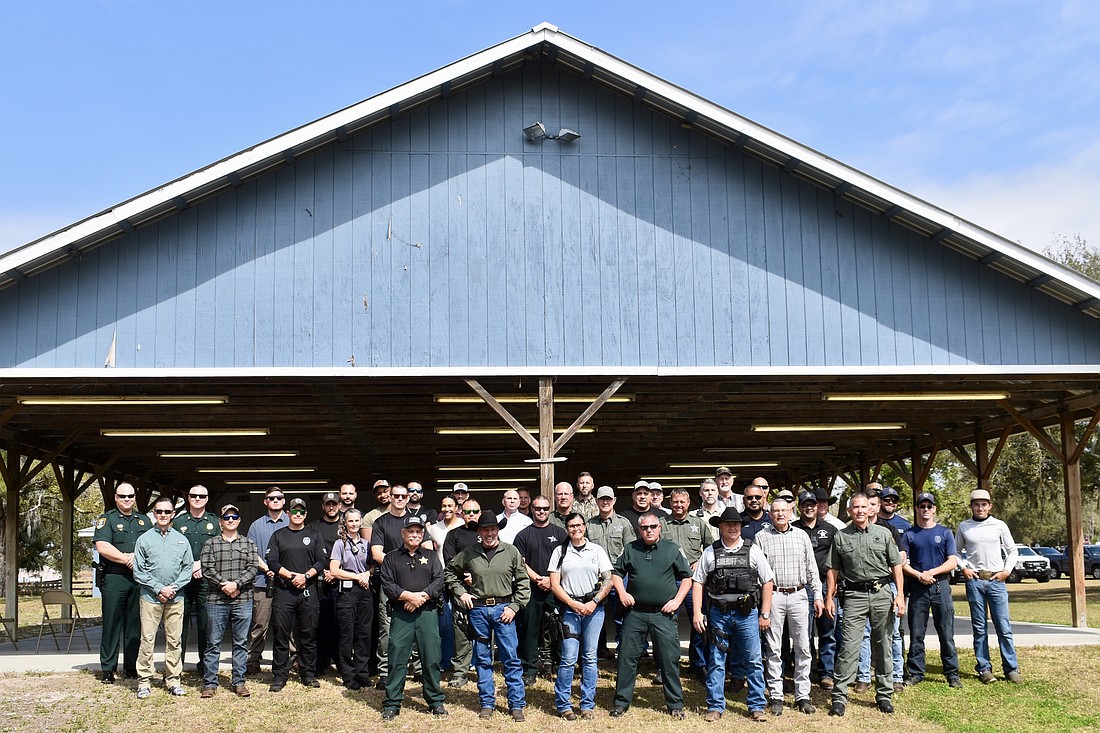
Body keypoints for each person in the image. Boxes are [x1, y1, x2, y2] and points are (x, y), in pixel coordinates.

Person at [824, 492, 905, 717]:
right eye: (855, 508)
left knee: (884, 645)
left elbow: (896, 565)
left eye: (863, 507)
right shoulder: (841, 536)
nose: (860, 511)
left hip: (882, 594)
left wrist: (899, 596)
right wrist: (830, 597)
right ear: (849, 511)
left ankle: (884, 695)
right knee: (849, 646)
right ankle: (839, 697)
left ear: (871, 510)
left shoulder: (884, 533)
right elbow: (833, 569)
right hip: (854, 596)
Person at [446, 512, 531, 722]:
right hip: (478, 611)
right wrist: (461, 592)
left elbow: (523, 582)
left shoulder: (511, 551)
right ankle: (486, 702)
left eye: (493, 529)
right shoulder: (468, 553)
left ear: (498, 530)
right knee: (483, 658)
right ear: (479, 532)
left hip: (504, 610)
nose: (489, 533)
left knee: (510, 657)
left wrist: (515, 606)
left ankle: (516, 703)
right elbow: (449, 573)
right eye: (485, 529)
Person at [692, 507, 773, 723]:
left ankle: (756, 706)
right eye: (728, 524)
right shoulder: (710, 552)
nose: (732, 527)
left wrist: (765, 613)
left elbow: (768, 582)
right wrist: (697, 613)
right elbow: (698, 582)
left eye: (736, 524)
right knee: (717, 661)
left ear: (741, 527)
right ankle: (715, 706)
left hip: (747, 615)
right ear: (720, 527)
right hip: (719, 614)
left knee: (754, 660)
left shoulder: (752, 550)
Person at [609, 511, 691, 720]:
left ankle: (675, 704)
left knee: (669, 660)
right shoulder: (630, 549)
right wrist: (622, 592)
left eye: (653, 527)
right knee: (627, 658)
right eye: (645, 528)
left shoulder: (672, 550)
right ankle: (620, 702)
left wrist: (677, 601)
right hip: (635, 614)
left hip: (663, 614)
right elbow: (616, 574)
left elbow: (687, 578)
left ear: (659, 528)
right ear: (639, 530)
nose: (649, 531)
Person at [754, 496, 822, 715]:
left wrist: (818, 596)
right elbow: (756, 571)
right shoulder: (761, 537)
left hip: (799, 595)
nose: (780, 514)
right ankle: (776, 695)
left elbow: (812, 568)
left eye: (784, 510)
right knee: (773, 648)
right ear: (770, 513)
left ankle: (803, 695)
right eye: (775, 511)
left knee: (803, 646)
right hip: (774, 596)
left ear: (791, 512)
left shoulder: (801, 536)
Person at [380, 516, 448, 720]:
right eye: (411, 531)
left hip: (427, 613)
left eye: (418, 532)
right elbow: (387, 583)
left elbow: (439, 580)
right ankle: (392, 703)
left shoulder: (431, 555)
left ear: (423, 534)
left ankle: (435, 701)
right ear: (403, 534)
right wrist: (409, 597)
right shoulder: (391, 558)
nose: (415, 535)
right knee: (397, 659)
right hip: (402, 614)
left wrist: (421, 597)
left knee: (431, 659)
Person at [549, 512, 613, 720]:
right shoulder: (560, 552)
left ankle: (587, 704)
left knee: (590, 657)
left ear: (585, 527)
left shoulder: (597, 550)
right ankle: (564, 704)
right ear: (567, 529)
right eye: (571, 526)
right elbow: (554, 584)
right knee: (568, 657)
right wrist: (573, 603)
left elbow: (609, 579)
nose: (576, 529)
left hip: (594, 609)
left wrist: (594, 602)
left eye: (579, 525)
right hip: (570, 608)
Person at [955, 488, 1022, 685]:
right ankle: (984, 668)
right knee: (979, 627)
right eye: (977, 504)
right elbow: (956, 551)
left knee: (1003, 626)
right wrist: (964, 568)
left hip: (996, 580)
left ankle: (1011, 668)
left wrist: (1006, 571)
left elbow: (1012, 550)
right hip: (975, 580)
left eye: (984, 504)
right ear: (972, 506)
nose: (980, 508)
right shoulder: (964, 526)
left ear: (990, 506)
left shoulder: (999, 525)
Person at [133, 496, 194, 699]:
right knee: (147, 639)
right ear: (154, 514)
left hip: (176, 598)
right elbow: (139, 571)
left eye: (167, 512)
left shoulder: (181, 539)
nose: (163, 515)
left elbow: (188, 568)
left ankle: (173, 680)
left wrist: (173, 588)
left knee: (174, 640)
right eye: (159, 511)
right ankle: (144, 681)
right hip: (150, 598)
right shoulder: (144, 539)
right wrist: (159, 588)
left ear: (173, 515)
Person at [266, 497, 327, 692]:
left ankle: (308, 674)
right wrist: (292, 576)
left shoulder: (314, 535)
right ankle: (279, 675)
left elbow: (321, 561)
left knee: (308, 634)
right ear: (288, 513)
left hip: (308, 591)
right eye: (294, 511)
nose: (298, 515)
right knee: (281, 634)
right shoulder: (278, 535)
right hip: (284, 591)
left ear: (306, 514)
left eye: (301, 512)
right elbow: (272, 562)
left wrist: (306, 576)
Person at [902, 492, 961, 688]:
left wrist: (931, 572)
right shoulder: (909, 535)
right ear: (917, 509)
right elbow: (902, 563)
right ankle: (917, 672)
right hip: (918, 588)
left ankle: (952, 673)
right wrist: (919, 575)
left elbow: (952, 561)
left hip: (940, 586)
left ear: (934, 509)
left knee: (946, 632)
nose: (926, 509)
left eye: (929, 506)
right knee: (917, 633)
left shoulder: (945, 533)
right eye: (922, 506)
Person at [200, 503, 259, 698]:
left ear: (239, 520)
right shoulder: (211, 543)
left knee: (241, 642)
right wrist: (224, 585)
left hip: (243, 599)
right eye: (227, 518)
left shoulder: (248, 544)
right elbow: (207, 569)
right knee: (213, 642)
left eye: (234, 517)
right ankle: (210, 683)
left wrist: (237, 585)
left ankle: (239, 682)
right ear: (220, 522)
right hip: (216, 600)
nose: (231, 520)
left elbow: (253, 567)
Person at [93, 482, 146, 684]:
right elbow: (102, 546)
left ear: (135, 498)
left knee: (134, 625)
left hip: (138, 578)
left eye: (130, 496)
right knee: (112, 624)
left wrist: (137, 560)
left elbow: (152, 543)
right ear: (115, 497)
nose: (127, 499)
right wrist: (127, 559)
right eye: (122, 496)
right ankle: (108, 668)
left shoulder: (143, 521)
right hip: (115, 577)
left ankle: (131, 667)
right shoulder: (107, 520)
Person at [514, 495, 569, 683]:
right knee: (531, 628)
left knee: (560, 627)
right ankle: (529, 668)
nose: (542, 512)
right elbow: (520, 562)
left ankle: (560, 665)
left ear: (549, 509)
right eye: (538, 509)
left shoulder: (560, 533)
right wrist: (538, 578)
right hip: (532, 588)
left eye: (545, 508)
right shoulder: (523, 535)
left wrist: (551, 580)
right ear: (531, 509)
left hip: (556, 588)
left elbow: (566, 560)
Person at [660, 487, 709, 679]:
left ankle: (699, 664)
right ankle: (666, 665)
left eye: (682, 502)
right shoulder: (661, 524)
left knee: (698, 622)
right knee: (665, 625)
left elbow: (712, 546)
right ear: (670, 503)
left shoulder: (698, 523)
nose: (679, 505)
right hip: (668, 580)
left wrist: (701, 559)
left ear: (688, 503)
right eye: (675, 501)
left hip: (693, 581)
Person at [370, 483, 415, 689]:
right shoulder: (381, 522)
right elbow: (376, 553)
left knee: (416, 624)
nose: (398, 499)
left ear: (408, 498)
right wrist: (400, 564)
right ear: (390, 497)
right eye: (395, 495)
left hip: (415, 580)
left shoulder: (416, 521)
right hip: (389, 581)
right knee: (387, 627)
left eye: (402, 496)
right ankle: (385, 671)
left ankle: (417, 669)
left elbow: (424, 548)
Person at [172, 484, 219, 676]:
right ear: (188, 498)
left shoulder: (215, 523)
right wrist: (189, 567)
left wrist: (200, 565)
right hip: (182, 580)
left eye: (201, 496)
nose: (197, 498)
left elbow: (218, 548)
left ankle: (204, 665)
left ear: (207, 499)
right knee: (178, 623)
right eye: (193, 495)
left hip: (206, 579)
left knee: (205, 624)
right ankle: (177, 665)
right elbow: (172, 548)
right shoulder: (178, 522)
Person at [793, 490, 838, 689]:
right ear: (799, 507)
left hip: (826, 584)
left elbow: (837, 561)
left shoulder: (830, 529)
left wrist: (833, 587)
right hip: (803, 587)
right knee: (805, 632)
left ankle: (826, 672)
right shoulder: (792, 529)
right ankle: (808, 669)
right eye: (805, 504)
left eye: (813, 504)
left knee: (827, 630)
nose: (809, 507)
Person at [586, 486, 636, 660]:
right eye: (602, 499)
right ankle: (599, 651)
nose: (605, 502)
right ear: (597, 501)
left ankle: (624, 653)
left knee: (622, 617)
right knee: (594, 617)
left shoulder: (623, 523)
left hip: (619, 577)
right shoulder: (589, 524)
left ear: (614, 500)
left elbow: (631, 551)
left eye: (608, 499)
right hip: (596, 579)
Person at [328, 508, 374, 690]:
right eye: (350, 521)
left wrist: (367, 575)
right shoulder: (340, 544)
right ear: (345, 523)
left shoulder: (366, 543)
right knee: (347, 635)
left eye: (357, 521)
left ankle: (362, 673)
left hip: (365, 591)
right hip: (348, 592)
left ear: (361, 522)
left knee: (364, 634)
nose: (354, 524)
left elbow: (371, 566)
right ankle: (348, 675)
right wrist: (357, 577)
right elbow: (334, 570)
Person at [244, 486, 288, 673]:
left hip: (288, 584)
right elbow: (251, 552)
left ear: (284, 501)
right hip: (262, 582)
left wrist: (284, 572)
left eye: (279, 497)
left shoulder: (292, 521)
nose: (275, 500)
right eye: (271, 498)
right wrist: (267, 568)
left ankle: (292, 658)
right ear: (265, 501)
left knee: (289, 624)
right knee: (260, 623)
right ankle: (253, 659)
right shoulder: (256, 525)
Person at [442, 496, 482, 688]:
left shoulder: (488, 532)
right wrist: (467, 575)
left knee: (484, 632)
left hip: (485, 590)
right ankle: (460, 672)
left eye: (475, 511)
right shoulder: (454, 535)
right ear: (461, 513)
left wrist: (477, 576)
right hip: (461, 590)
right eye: (467, 512)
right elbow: (450, 561)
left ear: (480, 513)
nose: (471, 515)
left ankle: (483, 669)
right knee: (461, 630)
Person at [428, 493, 465, 676]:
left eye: (451, 505)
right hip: (441, 579)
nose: (447, 509)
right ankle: (445, 660)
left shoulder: (463, 526)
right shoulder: (433, 529)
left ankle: (465, 660)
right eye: (444, 506)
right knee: (445, 622)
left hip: (462, 579)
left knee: (464, 622)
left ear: (457, 508)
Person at [309, 492, 343, 678]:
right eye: (328, 504)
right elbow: (310, 555)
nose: (331, 507)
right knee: (320, 624)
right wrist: (324, 572)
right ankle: (320, 663)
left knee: (340, 624)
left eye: (334, 504)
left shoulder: (345, 526)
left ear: (339, 505)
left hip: (341, 581)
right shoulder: (314, 527)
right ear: (323, 506)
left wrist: (337, 573)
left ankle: (340, 661)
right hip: (320, 581)